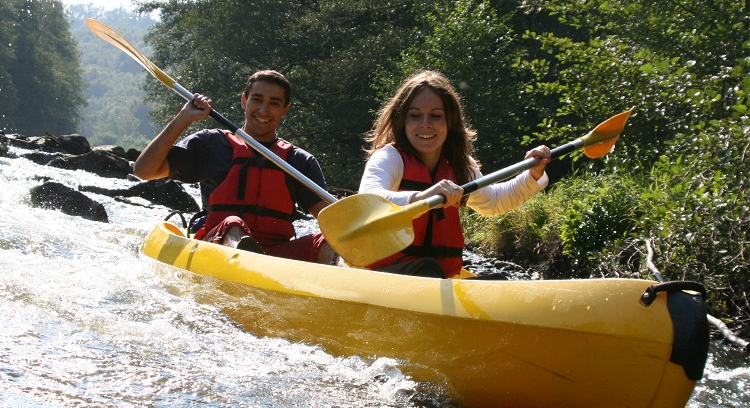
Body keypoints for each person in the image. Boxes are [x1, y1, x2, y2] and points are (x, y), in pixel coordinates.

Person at [358, 70, 551, 278]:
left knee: (497, 281)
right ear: (402, 120)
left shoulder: (458, 164)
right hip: (381, 274)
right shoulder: (390, 157)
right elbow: (369, 200)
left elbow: (494, 202)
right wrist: (422, 197)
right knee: (428, 268)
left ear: (449, 121)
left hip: (434, 278)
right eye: (415, 115)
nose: (425, 124)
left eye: (436, 116)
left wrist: (532, 174)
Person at [134, 69, 338, 265]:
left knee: (331, 241)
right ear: (244, 101)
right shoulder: (211, 144)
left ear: (285, 109)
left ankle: (354, 283)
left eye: (274, 103)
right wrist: (183, 117)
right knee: (232, 223)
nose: (264, 110)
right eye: (257, 100)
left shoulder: (299, 161)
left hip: (277, 256)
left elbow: (332, 221)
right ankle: (246, 261)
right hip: (217, 246)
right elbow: (144, 171)